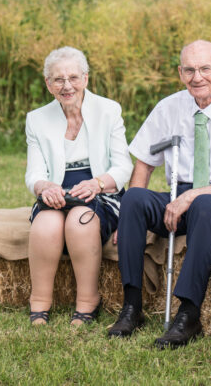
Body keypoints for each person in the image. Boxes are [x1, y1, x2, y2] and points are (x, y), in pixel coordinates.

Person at [108, 40, 211, 348]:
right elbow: (143, 163)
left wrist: (192, 196)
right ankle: (131, 307)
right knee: (132, 198)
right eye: (190, 70)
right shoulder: (169, 107)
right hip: (178, 197)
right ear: (180, 73)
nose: (198, 77)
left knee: (204, 203)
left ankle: (188, 315)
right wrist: (127, 220)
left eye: (205, 69)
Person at [25, 46, 133, 326]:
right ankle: (40, 301)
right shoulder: (36, 119)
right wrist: (44, 187)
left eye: (73, 77)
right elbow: (34, 172)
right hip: (57, 192)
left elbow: (123, 167)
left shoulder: (109, 110)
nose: (67, 85)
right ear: (48, 84)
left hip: (101, 192)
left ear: (86, 79)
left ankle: (88, 300)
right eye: (58, 79)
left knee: (80, 222)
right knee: (45, 225)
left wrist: (97, 183)